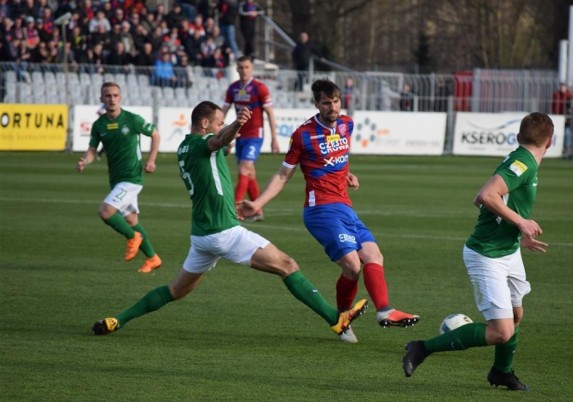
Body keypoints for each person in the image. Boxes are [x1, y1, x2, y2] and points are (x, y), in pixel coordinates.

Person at [91, 102, 367, 338]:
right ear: (204, 123)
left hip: (201, 236)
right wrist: (237, 124)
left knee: (176, 289)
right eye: (218, 122)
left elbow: (218, 151)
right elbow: (218, 141)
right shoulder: (203, 143)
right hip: (223, 232)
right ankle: (336, 318)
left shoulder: (184, 148)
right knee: (287, 265)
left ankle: (118, 320)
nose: (221, 126)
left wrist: (228, 140)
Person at [237, 79, 420, 344]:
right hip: (320, 210)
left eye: (335, 101)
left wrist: (347, 174)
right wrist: (259, 203)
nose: (332, 107)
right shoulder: (303, 135)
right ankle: (343, 321)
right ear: (316, 104)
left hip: (345, 207)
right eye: (326, 103)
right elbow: (283, 175)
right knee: (352, 265)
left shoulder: (347, 124)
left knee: (373, 255)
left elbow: (339, 157)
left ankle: (384, 311)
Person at [403, 112, 554, 391]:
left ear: (519, 137)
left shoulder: (521, 160)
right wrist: (521, 222)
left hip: (506, 251)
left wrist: (514, 234)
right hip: (487, 255)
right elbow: (486, 197)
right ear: (551, 142)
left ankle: (501, 372)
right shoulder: (523, 164)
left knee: (516, 315)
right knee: (501, 331)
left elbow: (479, 199)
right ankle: (421, 348)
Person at [76, 82, 162, 274]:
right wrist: (84, 161)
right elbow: (92, 150)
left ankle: (133, 238)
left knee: (105, 212)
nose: (112, 99)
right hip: (116, 179)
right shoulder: (99, 125)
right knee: (131, 220)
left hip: (132, 177)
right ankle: (152, 258)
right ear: (101, 99)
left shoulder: (132, 119)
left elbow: (155, 134)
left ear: (120, 97)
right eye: (108, 96)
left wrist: (152, 160)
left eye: (115, 95)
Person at [222, 55, 279, 221]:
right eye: (240, 67)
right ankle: (258, 210)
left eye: (246, 67)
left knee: (244, 168)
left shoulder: (259, 88)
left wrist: (274, 137)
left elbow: (269, 113)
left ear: (251, 68)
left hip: (255, 134)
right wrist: (217, 128)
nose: (243, 70)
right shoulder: (233, 88)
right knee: (250, 173)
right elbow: (223, 110)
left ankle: (234, 208)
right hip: (238, 135)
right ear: (237, 69)